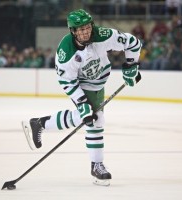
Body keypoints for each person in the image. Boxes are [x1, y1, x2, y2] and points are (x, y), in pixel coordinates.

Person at [22, 9, 142, 186]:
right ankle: (97, 164)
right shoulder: (65, 52)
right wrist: (82, 102)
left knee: (87, 118)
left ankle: (41, 124)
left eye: (87, 27)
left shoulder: (102, 35)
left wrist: (131, 65)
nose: (86, 32)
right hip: (82, 85)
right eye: (81, 29)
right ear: (73, 31)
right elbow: (66, 81)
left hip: (98, 83)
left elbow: (133, 43)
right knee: (95, 120)